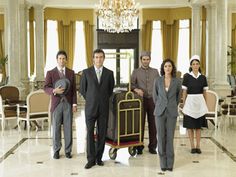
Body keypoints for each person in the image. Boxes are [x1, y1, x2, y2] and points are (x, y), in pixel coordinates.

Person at [80, 49, 115, 169]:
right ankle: (90, 159)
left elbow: (110, 90)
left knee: (102, 134)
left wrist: (101, 100)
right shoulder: (86, 72)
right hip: (90, 108)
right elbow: (83, 90)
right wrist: (91, 99)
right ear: (93, 59)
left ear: (103, 59)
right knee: (90, 133)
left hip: (103, 109)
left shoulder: (109, 73)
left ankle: (99, 158)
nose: (99, 59)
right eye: (96, 57)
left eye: (101, 57)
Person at [44, 50, 77, 159]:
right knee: (56, 128)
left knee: (68, 128)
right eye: (60, 59)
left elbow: (73, 90)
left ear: (66, 60)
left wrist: (74, 104)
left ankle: (68, 151)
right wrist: (54, 90)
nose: (62, 60)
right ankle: (56, 150)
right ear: (57, 60)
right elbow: (46, 87)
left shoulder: (71, 72)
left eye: (63, 58)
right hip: (56, 104)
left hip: (67, 103)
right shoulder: (50, 73)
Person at [153, 59, 181, 172]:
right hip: (159, 112)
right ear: (163, 68)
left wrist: (172, 105)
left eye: (169, 66)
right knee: (160, 137)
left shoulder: (177, 81)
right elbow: (155, 96)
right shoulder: (157, 80)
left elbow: (178, 97)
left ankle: (170, 163)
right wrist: (161, 105)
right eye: (166, 66)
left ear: (172, 68)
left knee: (170, 137)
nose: (167, 68)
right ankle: (162, 162)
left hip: (172, 112)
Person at [131, 51, 159, 155]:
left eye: (147, 59)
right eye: (144, 59)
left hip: (153, 100)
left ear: (150, 60)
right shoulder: (136, 72)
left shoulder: (155, 72)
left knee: (153, 124)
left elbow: (159, 85)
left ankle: (152, 146)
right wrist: (137, 90)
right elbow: (132, 85)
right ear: (141, 60)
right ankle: (139, 145)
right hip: (140, 101)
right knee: (139, 123)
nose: (146, 61)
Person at [182, 55, 208, 154]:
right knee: (190, 126)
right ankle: (192, 146)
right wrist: (184, 104)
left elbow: (205, 92)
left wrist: (205, 104)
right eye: (193, 64)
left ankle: (198, 146)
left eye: (197, 64)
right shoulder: (187, 76)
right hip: (190, 102)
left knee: (198, 126)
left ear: (199, 65)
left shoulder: (203, 77)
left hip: (200, 103)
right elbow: (184, 91)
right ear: (191, 65)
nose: (195, 66)